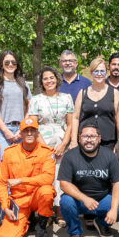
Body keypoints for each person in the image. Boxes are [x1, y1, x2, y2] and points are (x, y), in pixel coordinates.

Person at [58, 123, 119, 237]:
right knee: (66, 201)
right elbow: (64, 184)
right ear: (79, 138)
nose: (89, 139)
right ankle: (74, 232)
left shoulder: (109, 155)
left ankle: (101, 223)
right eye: (85, 136)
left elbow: (118, 182)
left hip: (102, 199)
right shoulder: (70, 156)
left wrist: (113, 209)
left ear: (99, 138)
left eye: (92, 136)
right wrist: (84, 199)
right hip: (78, 200)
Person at [0, 118, 56, 237]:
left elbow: (48, 178)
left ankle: (41, 226)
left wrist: (21, 180)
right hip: (19, 200)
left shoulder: (46, 152)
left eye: (32, 130)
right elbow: (1, 182)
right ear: (21, 134)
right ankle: (27, 221)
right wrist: (5, 207)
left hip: (37, 196)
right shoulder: (9, 153)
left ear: (37, 134)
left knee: (46, 191)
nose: (29, 133)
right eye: (26, 131)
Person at [28, 66, 75, 217]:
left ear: (57, 79)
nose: (49, 81)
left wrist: (64, 144)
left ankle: (60, 210)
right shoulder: (36, 100)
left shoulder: (66, 97)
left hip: (61, 141)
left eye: (51, 77)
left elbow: (70, 124)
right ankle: (45, 211)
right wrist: (44, 147)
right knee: (45, 176)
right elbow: (33, 125)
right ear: (41, 82)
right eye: (45, 78)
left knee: (60, 175)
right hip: (42, 141)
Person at [71, 56, 119, 151]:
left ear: (106, 73)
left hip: (108, 142)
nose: (99, 74)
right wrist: (74, 140)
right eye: (96, 71)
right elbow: (75, 117)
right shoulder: (82, 92)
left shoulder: (114, 93)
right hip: (86, 142)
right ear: (91, 73)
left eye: (102, 71)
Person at [0, 50, 32, 154]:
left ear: (17, 65)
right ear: (2, 64)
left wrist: (22, 129)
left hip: (21, 130)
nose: (10, 64)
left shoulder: (23, 83)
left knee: (21, 164)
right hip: (1, 131)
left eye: (13, 62)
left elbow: (30, 107)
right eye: (7, 62)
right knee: (3, 163)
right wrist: (6, 131)